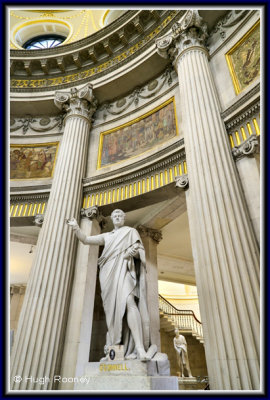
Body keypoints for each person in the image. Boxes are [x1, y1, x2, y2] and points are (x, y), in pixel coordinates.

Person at [67, 209, 156, 361]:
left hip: (125, 270)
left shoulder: (130, 232)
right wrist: (76, 227)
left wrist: (132, 253)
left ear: (124, 218)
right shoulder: (106, 236)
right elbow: (86, 239)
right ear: (112, 219)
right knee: (112, 312)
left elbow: (139, 251)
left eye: (120, 215)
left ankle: (140, 348)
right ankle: (116, 351)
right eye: (114, 216)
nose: (117, 217)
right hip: (108, 274)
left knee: (129, 302)